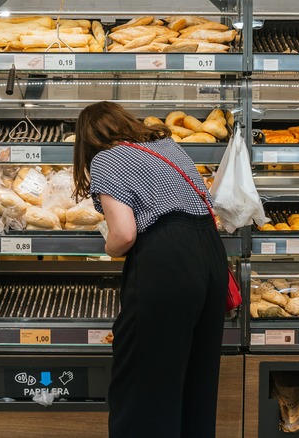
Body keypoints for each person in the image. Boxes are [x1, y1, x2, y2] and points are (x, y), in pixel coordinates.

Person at [72, 101, 227, 437]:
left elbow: (124, 234)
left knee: (145, 382)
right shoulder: (167, 145)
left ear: (88, 140)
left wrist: (108, 248)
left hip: (168, 260)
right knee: (195, 380)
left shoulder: (106, 159)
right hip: (210, 253)